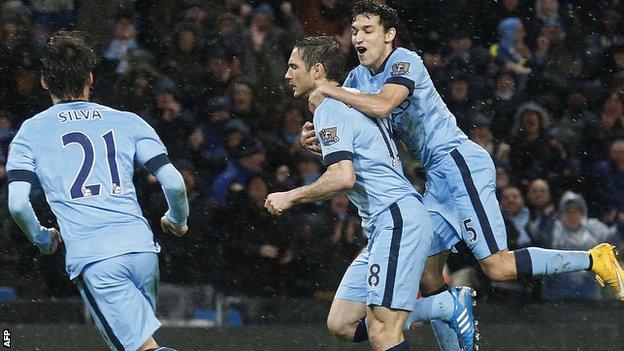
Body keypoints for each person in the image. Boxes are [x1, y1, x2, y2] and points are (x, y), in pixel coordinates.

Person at [302, 0, 624, 343]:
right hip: (435, 178)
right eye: (354, 31)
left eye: (368, 30)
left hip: (458, 164)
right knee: (428, 274)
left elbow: (382, 105)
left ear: (389, 35)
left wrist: (330, 91)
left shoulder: (404, 61)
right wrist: (318, 138)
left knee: (497, 267)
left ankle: (594, 258)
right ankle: (454, 317)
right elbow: (358, 129)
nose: (358, 38)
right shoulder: (356, 79)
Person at [6, 31, 188, 351]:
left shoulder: (30, 132)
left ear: (45, 82)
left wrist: (42, 238)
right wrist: (177, 219)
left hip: (97, 259)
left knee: (141, 349)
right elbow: (174, 182)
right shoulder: (129, 122)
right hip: (143, 251)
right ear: (90, 77)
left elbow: (19, 204)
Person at [266, 36, 442, 351]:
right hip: (384, 225)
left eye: (293, 67)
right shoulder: (351, 99)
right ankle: (438, 308)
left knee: (381, 331)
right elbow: (361, 158)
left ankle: (444, 307)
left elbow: (343, 178)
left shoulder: (329, 104)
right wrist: (324, 148)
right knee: (342, 323)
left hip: (396, 218)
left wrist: (289, 196)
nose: (287, 74)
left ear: (317, 70)